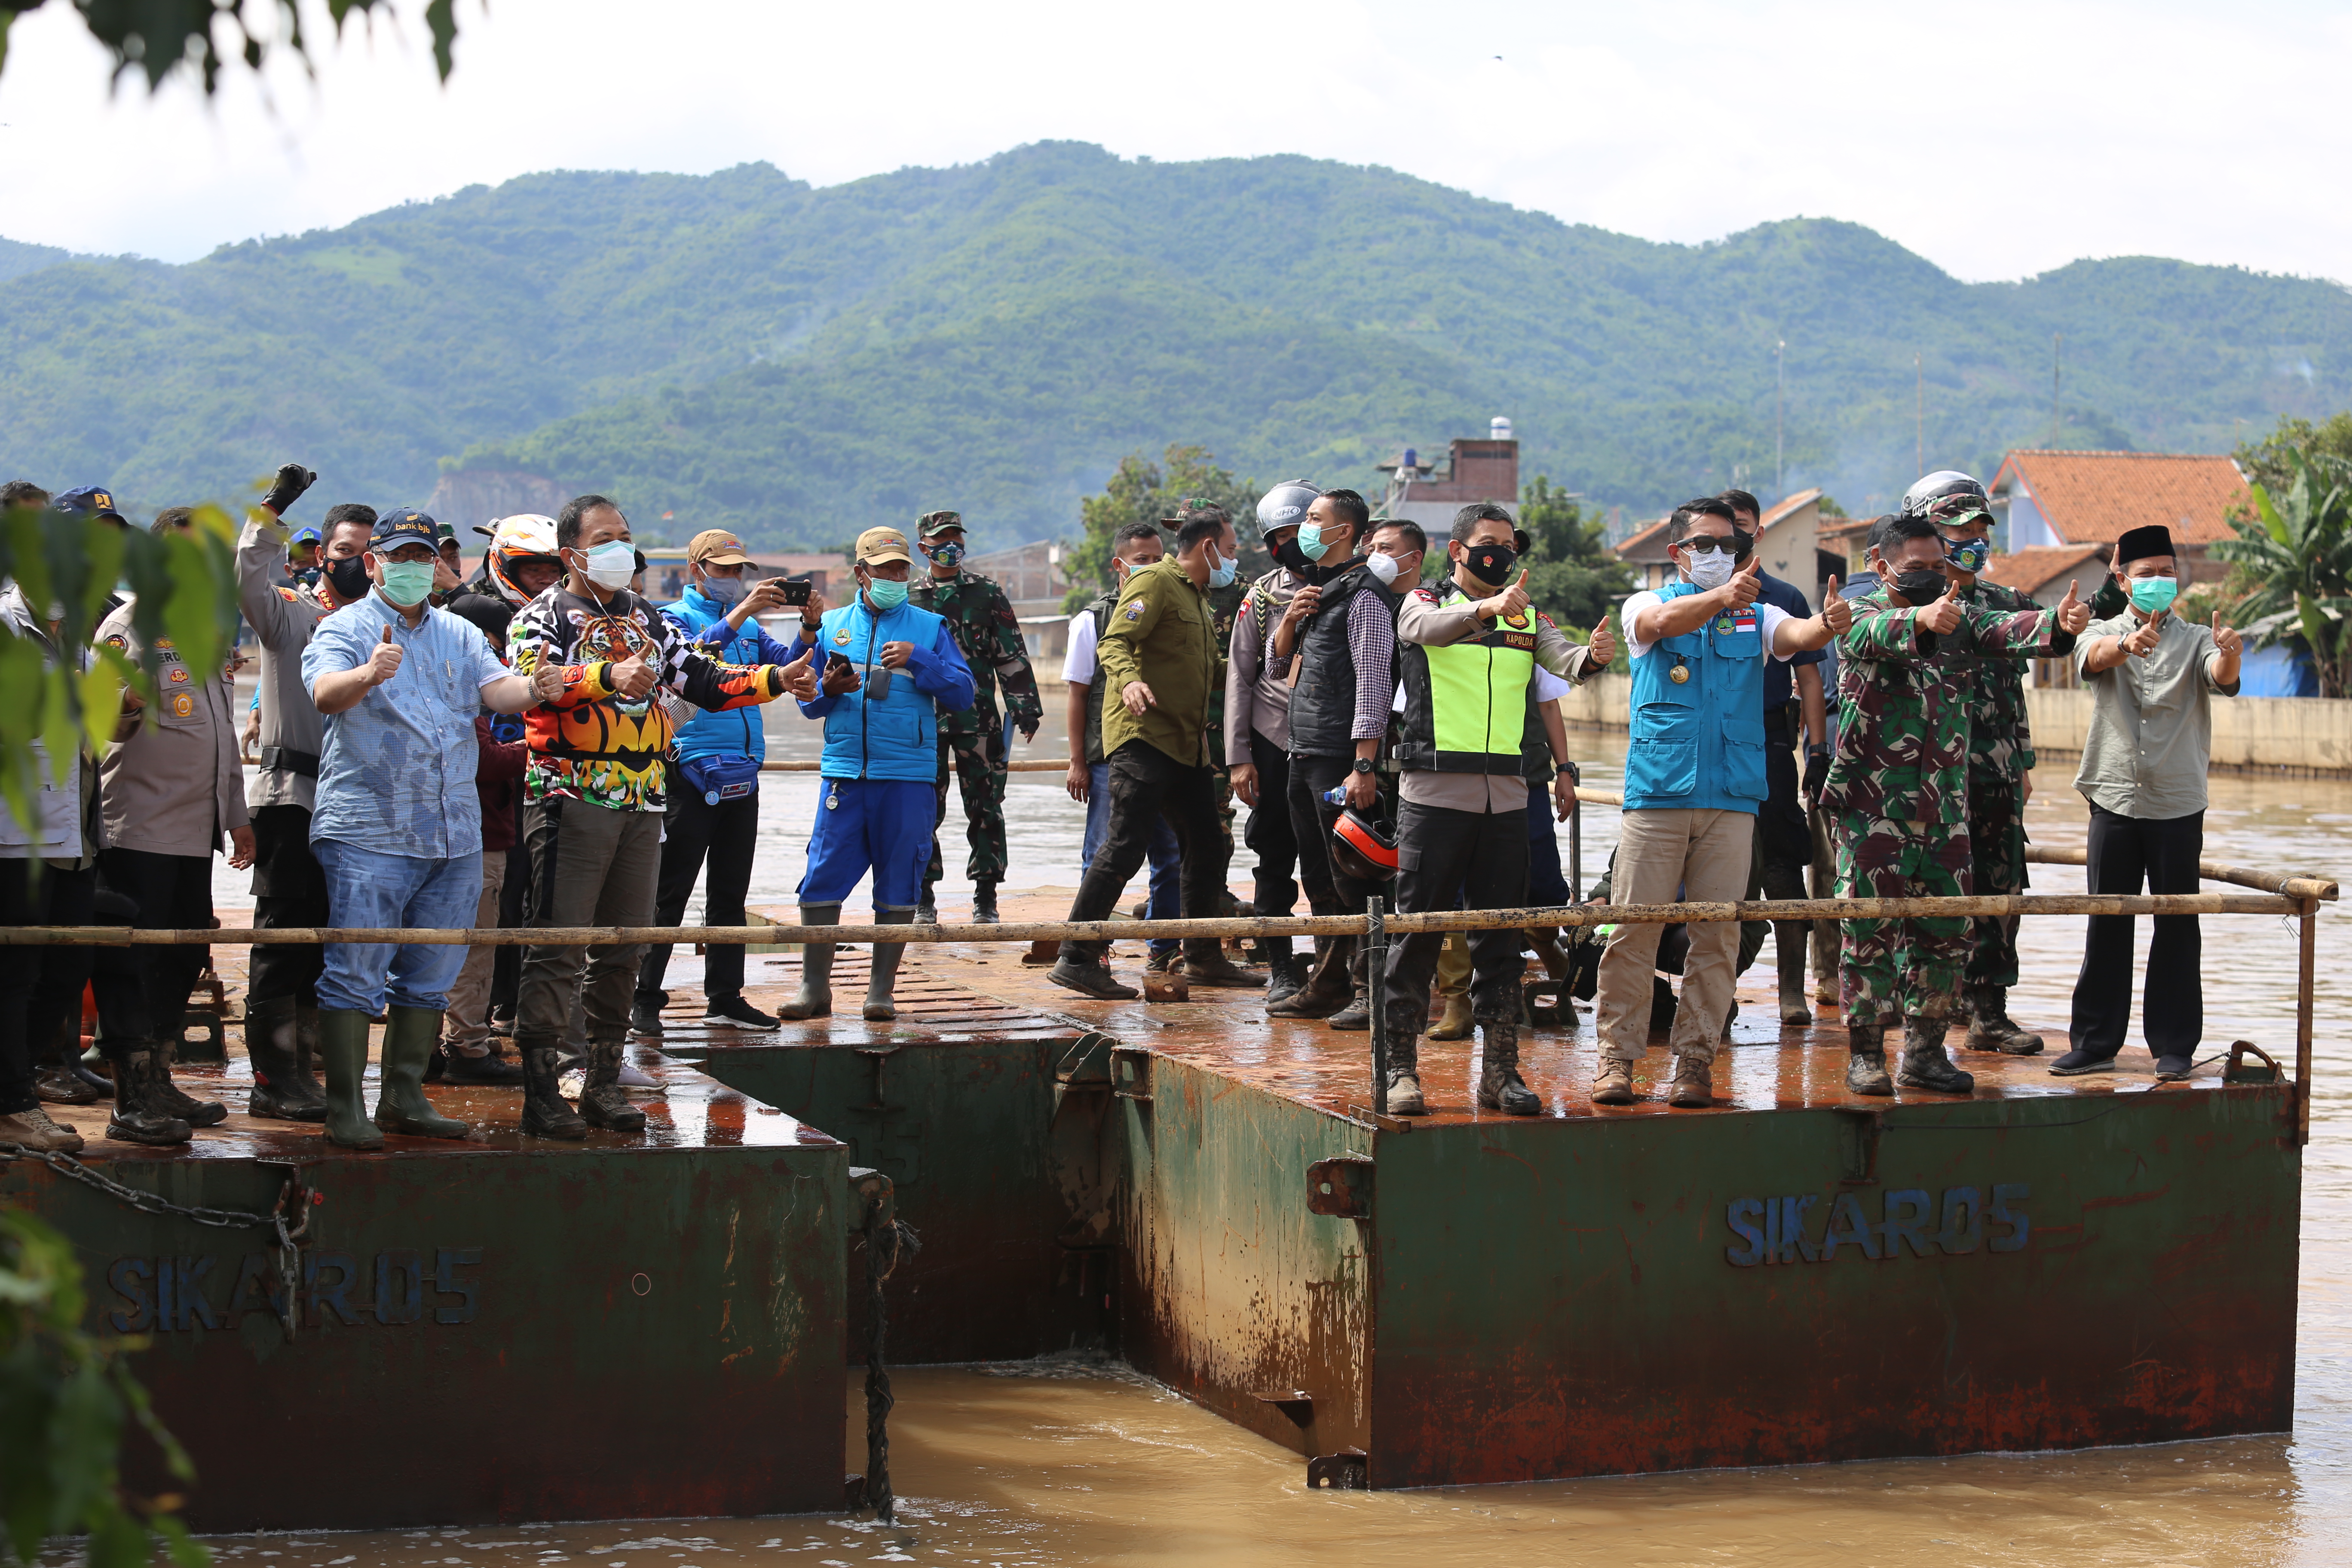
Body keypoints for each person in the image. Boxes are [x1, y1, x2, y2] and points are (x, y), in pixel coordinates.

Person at [505, 496, 815, 1136]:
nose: (620, 547)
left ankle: (601, 1082)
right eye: (605, 538)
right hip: (572, 796)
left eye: (625, 536)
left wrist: (777, 679)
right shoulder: (541, 616)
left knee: (624, 946)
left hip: (645, 798)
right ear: (572, 555)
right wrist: (604, 676)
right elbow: (536, 681)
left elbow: (698, 678)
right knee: (559, 943)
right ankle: (541, 1091)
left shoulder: (647, 616)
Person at [1591, 499, 1848, 1109]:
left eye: (1728, 546)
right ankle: (1617, 1060)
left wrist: (1829, 625)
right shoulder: (1646, 605)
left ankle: (1695, 1061)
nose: (1718, 556)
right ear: (1677, 552)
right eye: (1704, 544)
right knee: (1633, 930)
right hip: (1659, 791)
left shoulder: (1757, 615)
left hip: (1733, 797)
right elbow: (1658, 629)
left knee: (1719, 935)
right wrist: (1722, 597)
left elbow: (1799, 636)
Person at [1821, 511, 2086, 1097]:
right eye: (1916, 568)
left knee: (1946, 938)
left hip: (1945, 810)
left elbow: (2011, 631)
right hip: (1874, 808)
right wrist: (1918, 615)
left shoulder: (1964, 620)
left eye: (1937, 568)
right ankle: (1866, 1056)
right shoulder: (1859, 613)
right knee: (1869, 935)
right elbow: (1867, 637)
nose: (1930, 577)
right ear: (1880, 565)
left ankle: (1924, 1053)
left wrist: (2060, 626)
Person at [301, 508, 542, 1147]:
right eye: (399, 557)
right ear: (373, 563)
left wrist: (541, 686)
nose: (413, 568)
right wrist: (367, 673)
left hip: (453, 833)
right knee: (356, 968)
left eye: (423, 556)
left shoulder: (461, 634)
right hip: (369, 830)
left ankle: (405, 1096)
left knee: (433, 969)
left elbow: (500, 694)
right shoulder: (345, 627)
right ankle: (345, 1108)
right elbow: (325, 694)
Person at [1378, 509, 1614, 1114]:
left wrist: (1594, 656)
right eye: (1489, 546)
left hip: (1507, 793)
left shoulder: (1529, 619)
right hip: (1435, 790)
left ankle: (1501, 1072)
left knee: (1501, 938)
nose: (1500, 556)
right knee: (1417, 933)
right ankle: (1400, 1072)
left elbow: (1565, 662)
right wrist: (1486, 609)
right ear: (1457, 549)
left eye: (1508, 547)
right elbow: (1424, 630)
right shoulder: (1420, 602)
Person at [93, 506, 258, 1141]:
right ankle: (129, 1101)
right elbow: (104, 720)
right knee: (134, 963)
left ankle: (161, 1080)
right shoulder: (127, 628)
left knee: (186, 954)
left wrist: (238, 818)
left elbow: (220, 740)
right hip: (137, 827)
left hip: (195, 835)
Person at [2055, 524, 2242, 1079]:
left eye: (2167, 571)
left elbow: (2221, 676)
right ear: (2121, 579)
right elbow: (2093, 658)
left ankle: (2174, 1047)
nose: (2160, 581)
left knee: (2177, 925)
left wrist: (2230, 654)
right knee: (2107, 921)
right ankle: (2094, 1043)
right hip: (2112, 796)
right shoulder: (2102, 629)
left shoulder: (2197, 638)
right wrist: (2126, 646)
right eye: (2147, 573)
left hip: (2178, 801)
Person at [1048, 509, 1259, 999]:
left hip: (1185, 746)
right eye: (1229, 550)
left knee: (1206, 845)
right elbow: (1116, 642)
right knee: (1124, 845)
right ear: (1207, 548)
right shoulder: (1155, 582)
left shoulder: (1197, 599)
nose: (1232, 560)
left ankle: (1202, 954)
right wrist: (1130, 681)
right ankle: (1076, 956)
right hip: (1145, 740)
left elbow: (1210, 668)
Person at [632, 529, 824, 1035]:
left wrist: (809, 630)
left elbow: (787, 669)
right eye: (722, 570)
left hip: (742, 770)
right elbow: (681, 661)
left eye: (739, 570)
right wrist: (739, 614)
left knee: (730, 894)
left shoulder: (750, 631)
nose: (733, 579)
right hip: (689, 771)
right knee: (669, 892)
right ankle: (643, 999)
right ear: (697, 571)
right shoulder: (670, 618)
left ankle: (724, 997)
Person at [784, 526, 974, 1023]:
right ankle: (814, 989)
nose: (894, 577)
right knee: (821, 879)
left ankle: (881, 991)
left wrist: (922, 659)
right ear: (860, 573)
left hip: (908, 777)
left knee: (899, 882)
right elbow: (808, 705)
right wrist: (828, 688)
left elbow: (963, 694)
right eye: (884, 569)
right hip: (845, 774)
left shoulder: (930, 627)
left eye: (900, 570)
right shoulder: (832, 628)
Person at [1890, 472, 2052, 1055]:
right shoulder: (1904, 605)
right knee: (1923, 893)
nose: (1974, 541)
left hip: (1995, 770)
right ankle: (1919, 1014)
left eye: (1982, 530)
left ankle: (1990, 1011)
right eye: (1960, 530)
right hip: (1929, 775)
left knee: (2001, 889)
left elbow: (2016, 693)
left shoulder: (2007, 604)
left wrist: (2025, 762)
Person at [237, 470, 379, 1121]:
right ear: (323, 554)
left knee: (329, 936)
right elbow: (248, 576)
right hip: (292, 795)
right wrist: (273, 510)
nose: (358, 564)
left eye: (368, 554)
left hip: (353, 808)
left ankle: (311, 1067)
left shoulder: (386, 632)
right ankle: (272, 1077)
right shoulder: (290, 614)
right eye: (346, 552)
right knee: (281, 937)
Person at [1266, 489, 1392, 1024]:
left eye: (1316, 520)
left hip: (1339, 754)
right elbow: (1276, 672)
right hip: (1304, 749)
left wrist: (1363, 765)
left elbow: (1373, 683)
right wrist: (1290, 622)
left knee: (1353, 875)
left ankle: (1368, 990)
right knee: (1317, 873)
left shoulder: (1364, 595)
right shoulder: (1319, 591)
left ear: (1346, 532)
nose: (1305, 530)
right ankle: (1329, 979)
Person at [0, 573, 106, 1151]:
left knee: (68, 966)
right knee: (14, 973)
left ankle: (19, 1089)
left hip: (74, 830)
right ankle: (15, 1105)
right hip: (16, 831)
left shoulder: (79, 645)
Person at [1721, 488, 1830, 1025]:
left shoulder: (1784, 596)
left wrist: (1817, 748)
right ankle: (1718, 989)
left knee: (1784, 867)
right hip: (1711, 746)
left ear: (1758, 533)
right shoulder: (1691, 597)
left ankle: (1792, 991)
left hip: (1769, 744)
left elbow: (1808, 676)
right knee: (1714, 872)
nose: (1731, 539)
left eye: (1740, 527)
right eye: (1720, 531)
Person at [910, 510, 1043, 924]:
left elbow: (1011, 653)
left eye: (956, 538)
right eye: (941, 539)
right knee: (921, 806)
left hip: (979, 716)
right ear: (923, 547)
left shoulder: (987, 593)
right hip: (923, 718)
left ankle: (986, 896)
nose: (951, 546)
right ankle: (923, 896)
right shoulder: (909, 596)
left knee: (986, 806)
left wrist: (1025, 710)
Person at [1064, 522, 1183, 977]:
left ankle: (1165, 947)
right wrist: (1078, 761)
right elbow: (1078, 695)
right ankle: (1089, 949)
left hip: (1161, 755)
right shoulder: (1093, 620)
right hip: (1106, 759)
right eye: (1143, 560)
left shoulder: (1173, 607)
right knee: (1102, 852)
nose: (1153, 567)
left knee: (1169, 853)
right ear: (1120, 565)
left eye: (1159, 558)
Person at [1224, 481, 1319, 1003]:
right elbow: (1240, 678)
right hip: (1272, 741)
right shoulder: (1260, 598)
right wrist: (1240, 759)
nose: (1289, 544)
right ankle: (1282, 968)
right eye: (1277, 537)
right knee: (1276, 855)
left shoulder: (1357, 589)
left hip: (1335, 743)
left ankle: (1338, 966)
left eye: (1297, 532)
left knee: (1338, 857)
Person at [436, 594, 530, 1082]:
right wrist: (536, 749)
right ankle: (467, 1049)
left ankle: (432, 1045)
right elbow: (484, 759)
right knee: (475, 945)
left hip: (446, 835)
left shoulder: (437, 677)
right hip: (475, 836)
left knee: (434, 946)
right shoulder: (463, 688)